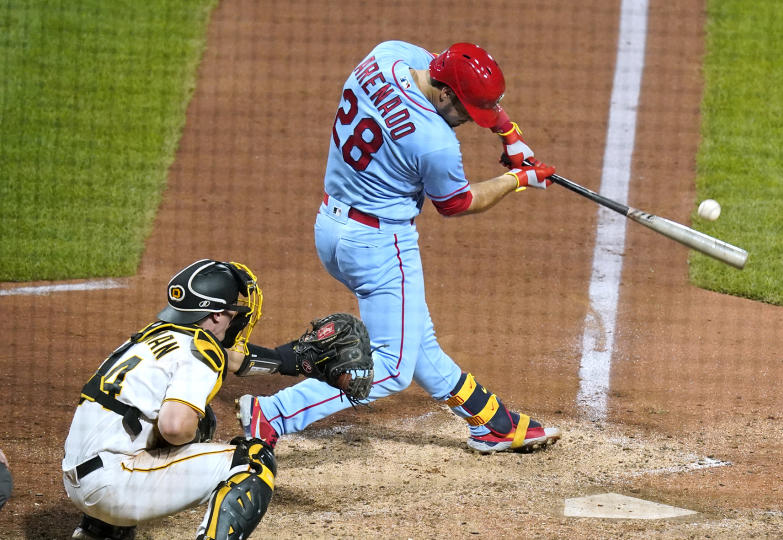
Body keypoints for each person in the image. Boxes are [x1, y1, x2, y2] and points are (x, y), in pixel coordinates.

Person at [237, 41, 561, 454]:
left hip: (332, 228)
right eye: (465, 111)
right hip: (380, 246)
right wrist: (519, 180)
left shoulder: (386, 56)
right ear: (445, 94)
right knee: (390, 368)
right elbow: (457, 203)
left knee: (413, 339)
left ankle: (490, 422)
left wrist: (508, 133)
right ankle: (275, 414)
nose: (468, 121)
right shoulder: (436, 142)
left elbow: (442, 76)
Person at [62, 259, 278, 540]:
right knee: (252, 461)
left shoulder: (150, 339)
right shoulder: (201, 348)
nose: (234, 319)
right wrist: (188, 435)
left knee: (165, 424)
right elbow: (175, 428)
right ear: (215, 315)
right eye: (231, 312)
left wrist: (290, 360)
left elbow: (234, 361)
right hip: (112, 487)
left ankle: (99, 534)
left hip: (76, 479)